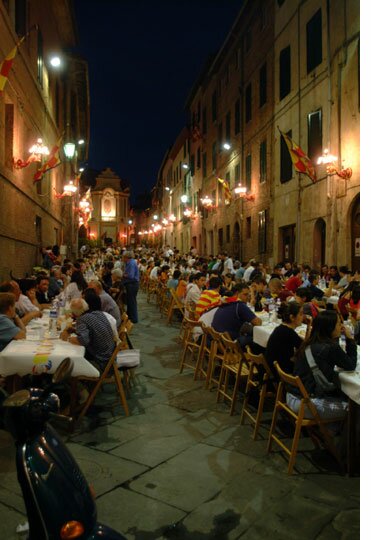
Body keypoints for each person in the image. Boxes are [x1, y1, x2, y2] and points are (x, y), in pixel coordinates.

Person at [287, 310, 357, 419]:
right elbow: (350, 365)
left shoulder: (309, 342)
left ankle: (327, 430)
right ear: (330, 328)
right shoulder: (330, 347)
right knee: (355, 409)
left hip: (291, 395)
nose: (341, 326)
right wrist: (350, 339)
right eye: (339, 323)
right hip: (306, 403)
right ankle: (330, 434)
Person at [60, 297, 115, 372]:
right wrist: (74, 331)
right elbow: (92, 332)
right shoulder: (97, 313)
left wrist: (68, 338)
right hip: (110, 353)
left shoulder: (82, 319)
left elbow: (83, 341)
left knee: (70, 356)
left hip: (101, 359)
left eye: (72, 312)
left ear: (75, 313)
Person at [265, 301, 309, 377]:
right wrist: (309, 328)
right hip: (281, 372)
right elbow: (306, 348)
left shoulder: (279, 328)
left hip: (272, 368)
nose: (303, 317)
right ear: (292, 317)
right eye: (301, 314)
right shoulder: (289, 333)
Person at [212, 283, 262, 349]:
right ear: (237, 293)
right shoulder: (239, 305)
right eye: (245, 294)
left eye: (248, 295)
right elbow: (258, 323)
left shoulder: (225, 301)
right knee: (259, 340)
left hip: (217, 342)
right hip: (230, 345)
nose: (248, 297)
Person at [122, 250, 139, 323]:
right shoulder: (129, 262)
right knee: (130, 301)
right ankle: (129, 316)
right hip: (131, 283)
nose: (122, 259)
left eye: (123, 257)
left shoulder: (131, 263)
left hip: (132, 284)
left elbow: (131, 276)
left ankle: (133, 319)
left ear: (126, 257)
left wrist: (124, 274)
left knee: (132, 301)